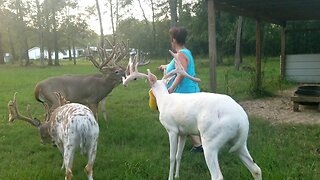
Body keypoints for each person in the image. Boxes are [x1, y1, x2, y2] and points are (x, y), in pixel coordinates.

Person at [159, 26, 203, 153]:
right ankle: (198, 145)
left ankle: (198, 146)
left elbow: (181, 73)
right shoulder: (183, 52)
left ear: (173, 40)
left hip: (185, 92)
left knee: (186, 120)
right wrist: (165, 66)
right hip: (186, 91)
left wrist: (171, 88)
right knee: (188, 120)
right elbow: (176, 65)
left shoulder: (181, 54)